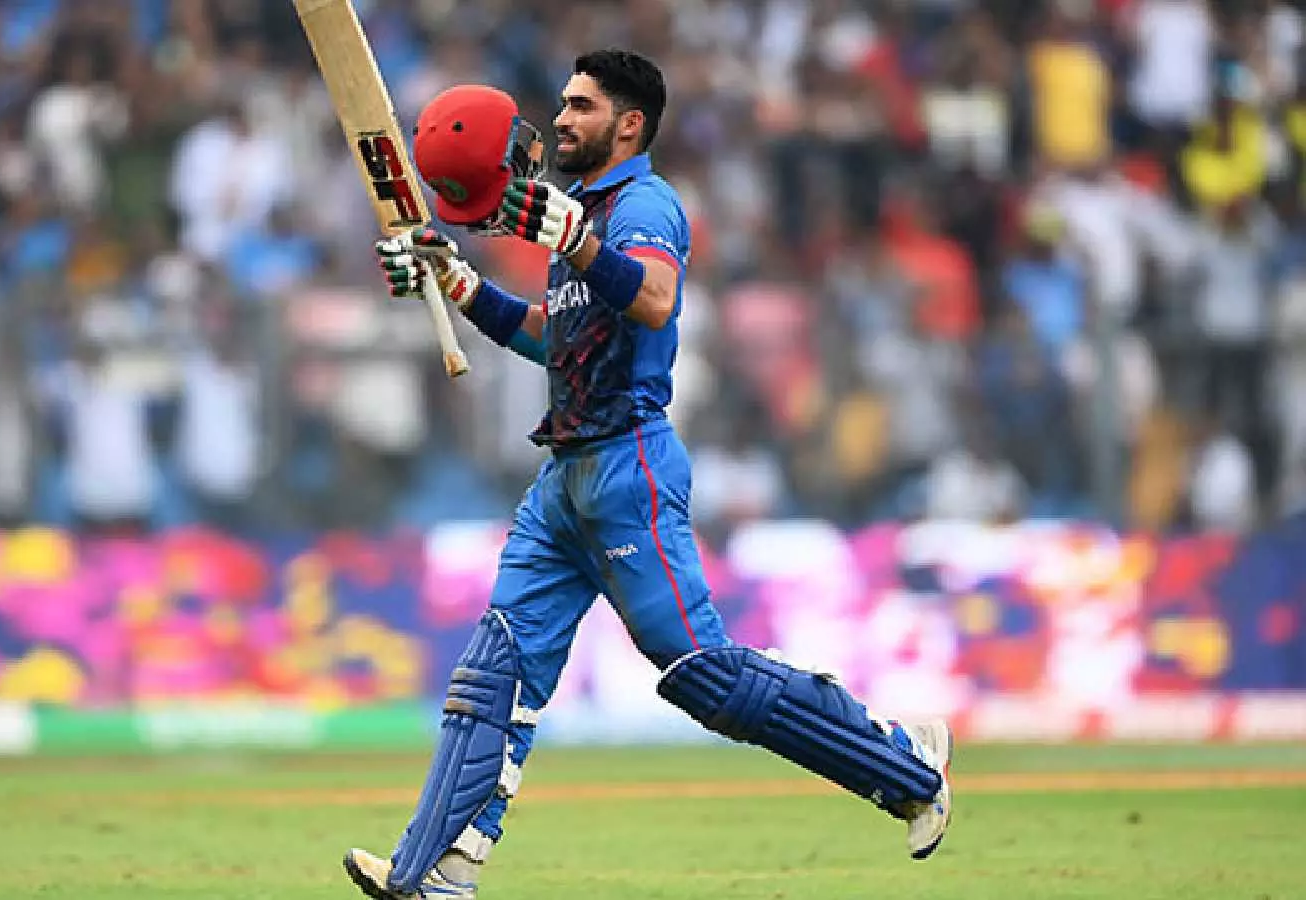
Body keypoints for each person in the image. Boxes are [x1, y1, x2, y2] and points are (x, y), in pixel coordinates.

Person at [344, 52, 953, 900]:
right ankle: (435, 872)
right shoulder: (585, 214)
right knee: (495, 670)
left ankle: (903, 760)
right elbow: (555, 342)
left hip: (628, 466)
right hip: (565, 479)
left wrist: (574, 240)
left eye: (581, 107)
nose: (561, 119)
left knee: (701, 674)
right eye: (563, 103)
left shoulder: (644, 206)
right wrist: (460, 283)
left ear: (629, 124)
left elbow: (656, 299)